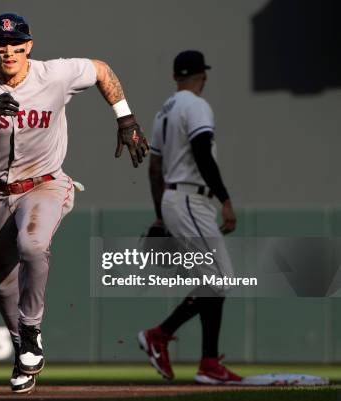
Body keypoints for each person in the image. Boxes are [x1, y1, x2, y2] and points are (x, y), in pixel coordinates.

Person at [0, 13, 149, 393]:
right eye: (0, 46)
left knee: (32, 244)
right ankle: (22, 345)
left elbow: (101, 70)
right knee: (1, 277)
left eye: (16, 44)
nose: (8, 51)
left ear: (28, 46)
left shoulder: (55, 74)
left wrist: (125, 116)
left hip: (45, 184)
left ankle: (32, 329)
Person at [138, 50, 242, 384]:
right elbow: (201, 152)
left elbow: (154, 168)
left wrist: (159, 215)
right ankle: (162, 336)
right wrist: (225, 199)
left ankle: (208, 362)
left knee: (214, 280)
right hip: (189, 198)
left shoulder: (163, 111)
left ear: (174, 76)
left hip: (174, 197)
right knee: (219, 278)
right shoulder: (197, 105)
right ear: (203, 75)